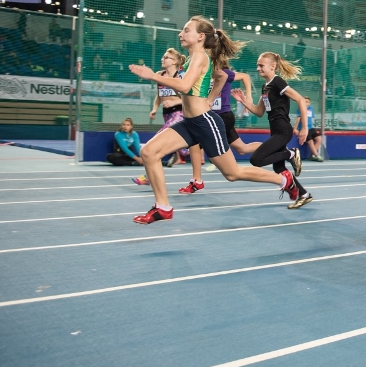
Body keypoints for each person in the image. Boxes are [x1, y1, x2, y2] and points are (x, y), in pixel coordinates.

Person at [127, 16, 309, 223]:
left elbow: (186, 87)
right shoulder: (190, 60)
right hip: (189, 123)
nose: (181, 33)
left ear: (200, 36)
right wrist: (208, 98)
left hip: (205, 123)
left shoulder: (200, 57)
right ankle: (163, 207)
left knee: (232, 173)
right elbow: (213, 80)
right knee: (149, 152)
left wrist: (153, 76)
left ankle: (284, 181)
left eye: (186, 30)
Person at [232, 51, 313, 208]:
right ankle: (303, 194)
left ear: (273, 66)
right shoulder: (266, 87)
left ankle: (290, 153)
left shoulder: (278, 82)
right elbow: (259, 111)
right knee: (279, 167)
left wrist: (304, 128)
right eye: (257, 65)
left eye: (261, 65)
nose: (258, 68)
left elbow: (300, 100)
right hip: (275, 130)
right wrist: (243, 101)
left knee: (256, 159)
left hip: (283, 129)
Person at [179, 59, 262, 193]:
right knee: (242, 148)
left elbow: (246, 77)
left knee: (194, 143)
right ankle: (276, 148)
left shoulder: (225, 74)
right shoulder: (202, 76)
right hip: (210, 117)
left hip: (223, 116)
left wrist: (249, 96)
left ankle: (197, 180)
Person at [133, 48, 189, 185]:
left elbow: (190, 98)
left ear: (175, 62)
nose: (162, 59)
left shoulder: (181, 76)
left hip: (180, 113)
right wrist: (154, 109)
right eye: (163, 57)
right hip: (167, 115)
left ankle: (148, 176)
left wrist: (176, 101)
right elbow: (159, 95)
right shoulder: (160, 75)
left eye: (166, 57)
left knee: (153, 145)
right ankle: (184, 149)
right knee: (162, 147)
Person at [294, 96, 323, 162]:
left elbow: (311, 118)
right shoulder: (300, 109)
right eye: (304, 102)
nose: (305, 103)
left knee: (319, 139)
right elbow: (298, 119)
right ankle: (316, 155)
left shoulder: (311, 108)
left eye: (307, 102)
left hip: (311, 128)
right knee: (310, 141)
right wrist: (295, 128)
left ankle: (312, 155)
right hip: (304, 129)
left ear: (309, 103)